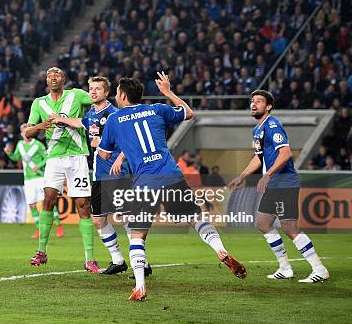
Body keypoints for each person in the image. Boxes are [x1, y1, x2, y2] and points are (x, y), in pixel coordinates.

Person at [98, 74, 246, 301]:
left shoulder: (114, 120)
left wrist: (106, 144)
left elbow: (105, 153)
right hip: (171, 175)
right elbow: (188, 113)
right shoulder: (157, 109)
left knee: (137, 234)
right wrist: (167, 92)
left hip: (145, 182)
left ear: (123, 96)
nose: (116, 97)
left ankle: (140, 287)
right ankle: (220, 250)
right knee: (196, 218)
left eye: (117, 93)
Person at [229, 90, 329, 283]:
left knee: (290, 228)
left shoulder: (273, 125)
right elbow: (259, 158)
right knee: (263, 223)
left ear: (268, 107)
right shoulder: (257, 130)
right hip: (274, 184)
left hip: (284, 183)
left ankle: (319, 268)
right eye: (252, 101)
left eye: (259, 101)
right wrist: (242, 176)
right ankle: (285, 268)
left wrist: (268, 174)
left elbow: (286, 153)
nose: (253, 104)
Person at [52, 76, 146, 276]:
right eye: (90, 88)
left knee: (126, 218)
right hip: (99, 175)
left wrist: (103, 145)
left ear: (106, 93)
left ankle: (142, 263)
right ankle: (118, 260)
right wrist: (61, 119)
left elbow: (128, 142)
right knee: (98, 220)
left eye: (97, 89)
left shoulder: (115, 114)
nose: (93, 92)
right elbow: (81, 122)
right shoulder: (92, 114)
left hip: (117, 173)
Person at [24, 67, 98, 273]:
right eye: (49, 75)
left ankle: (89, 259)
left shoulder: (76, 95)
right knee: (48, 198)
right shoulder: (39, 103)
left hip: (77, 156)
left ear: (63, 79)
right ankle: (41, 251)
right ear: (46, 80)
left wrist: (90, 121)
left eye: (57, 74)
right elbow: (28, 132)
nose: (53, 77)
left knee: (83, 205)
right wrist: (40, 126)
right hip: (54, 158)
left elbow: (97, 102)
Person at [5, 123, 64, 239]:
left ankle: (58, 226)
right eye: (24, 131)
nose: (27, 133)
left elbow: (47, 157)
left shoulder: (38, 145)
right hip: (28, 180)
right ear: (22, 134)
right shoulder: (20, 145)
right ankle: (38, 229)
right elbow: (16, 158)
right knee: (32, 205)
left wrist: (39, 165)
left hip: (40, 177)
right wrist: (9, 153)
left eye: (29, 130)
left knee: (47, 202)